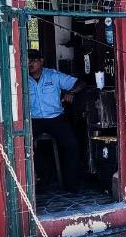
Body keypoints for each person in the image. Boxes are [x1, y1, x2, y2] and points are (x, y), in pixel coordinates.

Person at [28, 49, 85, 192]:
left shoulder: (53, 76)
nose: (30, 63)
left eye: (33, 60)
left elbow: (80, 83)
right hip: (33, 120)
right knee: (25, 146)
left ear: (41, 61)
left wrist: (71, 92)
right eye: (27, 60)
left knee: (71, 144)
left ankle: (71, 184)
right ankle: (41, 181)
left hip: (55, 119)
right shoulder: (21, 78)